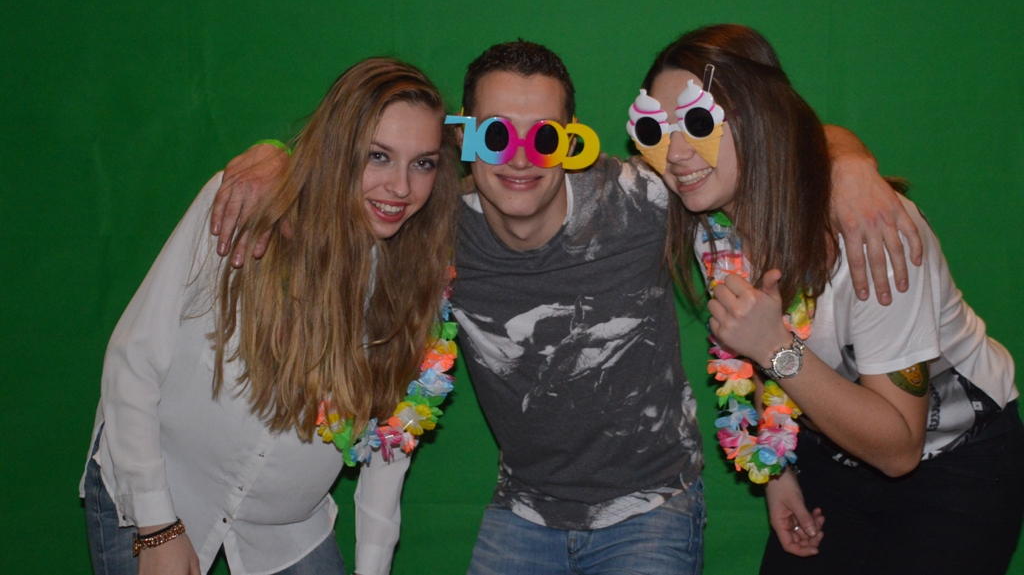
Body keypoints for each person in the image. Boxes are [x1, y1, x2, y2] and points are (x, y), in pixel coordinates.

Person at [214, 39, 922, 574]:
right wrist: (278, 156)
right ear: (462, 138)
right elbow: (345, 172)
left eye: (545, 136)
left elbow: (770, 145)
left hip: (653, 508)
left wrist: (849, 163)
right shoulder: (432, 229)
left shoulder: (643, 199)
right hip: (522, 511)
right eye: (497, 134)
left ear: (572, 140)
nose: (521, 158)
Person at [638, 24, 1024, 574]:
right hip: (829, 451)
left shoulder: (870, 235)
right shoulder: (713, 229)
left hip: (956, 459)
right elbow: (756, 361)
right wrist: (777, 471)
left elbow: (899, 449)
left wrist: (773, 346)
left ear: (761, 119)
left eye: (698, 122)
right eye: (655, 129)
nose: (676, 153)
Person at [80, 57, 460, 575]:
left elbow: (389, 446)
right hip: (159, 492)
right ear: (337, 147)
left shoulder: (418, 282)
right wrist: (157, 526)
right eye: (378, 156)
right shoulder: (244, 207)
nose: (400, 187)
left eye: (423, 164)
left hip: (286, 531)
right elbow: (133, 361)